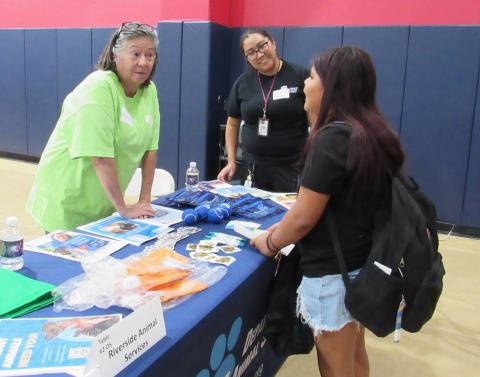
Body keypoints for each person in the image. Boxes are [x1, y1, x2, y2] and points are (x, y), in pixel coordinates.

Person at [251, 47, 405, 377]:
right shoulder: (371, 134)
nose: (305, 84)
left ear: (331, 87)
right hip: (360, 267)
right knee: (354, 356)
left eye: (312, 77)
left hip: (332, 277)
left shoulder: (331, 139)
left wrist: (271, 241)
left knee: (335, 367)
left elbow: (304, 217)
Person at [27, 22, 160, 232]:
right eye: (135, 54)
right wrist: (124, 209)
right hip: (67, 202)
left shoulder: (149, 91)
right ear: (116, 55)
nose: (143, 62)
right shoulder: (99, 88)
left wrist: (144, 200)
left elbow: (150, 149)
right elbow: (100, 159)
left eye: (149, 55)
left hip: (104, 205)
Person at [217, 28, 309, 192]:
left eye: (262, 46)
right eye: (251, 52)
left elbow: (316, 121)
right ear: (247, 58)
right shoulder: (242, 83)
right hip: (253, 167)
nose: (259, 55)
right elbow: (232, 124)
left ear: (272, 43)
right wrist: (231, 161)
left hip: (292, 167)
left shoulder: (300, 76)